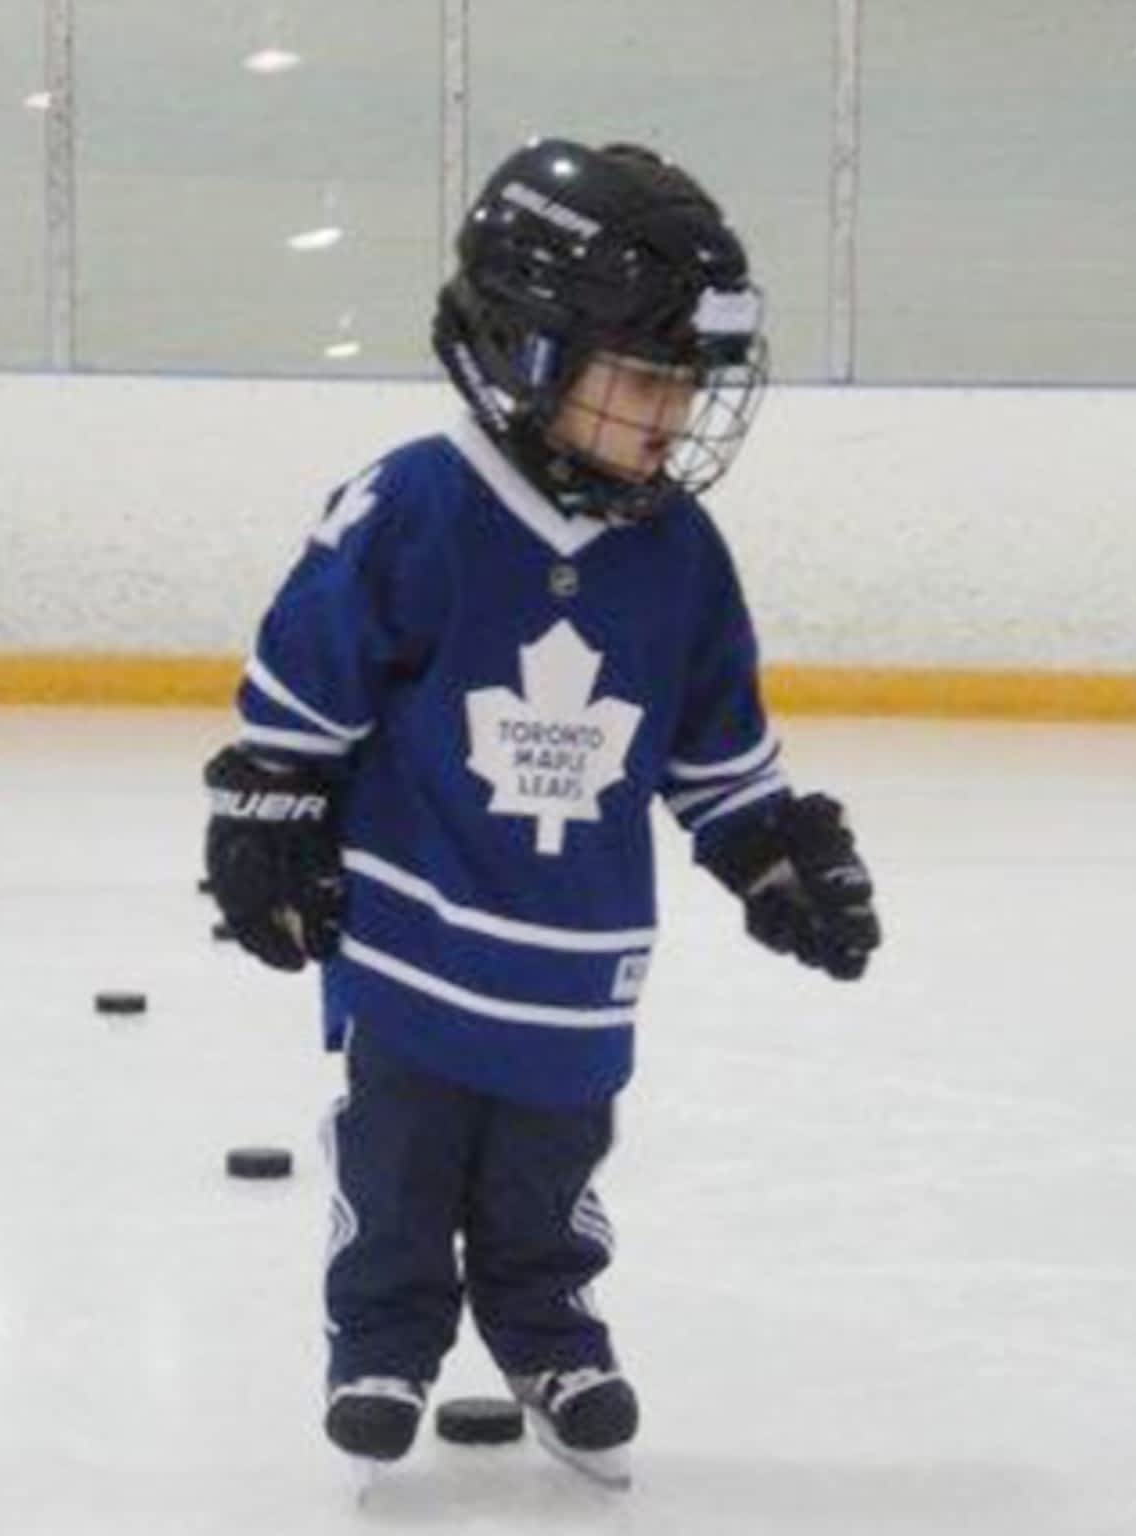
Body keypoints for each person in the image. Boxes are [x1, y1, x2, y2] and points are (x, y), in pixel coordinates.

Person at [201, 139, 881, 1485]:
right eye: (643, 380)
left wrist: (767, 852)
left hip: (577, 960)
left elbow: (713, 746)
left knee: (547, 1169)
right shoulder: (419, 504)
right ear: (524, 351)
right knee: (401, 1157)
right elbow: (308, 684)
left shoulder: (679, 553)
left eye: (687, 387)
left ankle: (547, 1326)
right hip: (409, 934)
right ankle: (383, 1339)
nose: (671, 418)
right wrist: (269, 812)